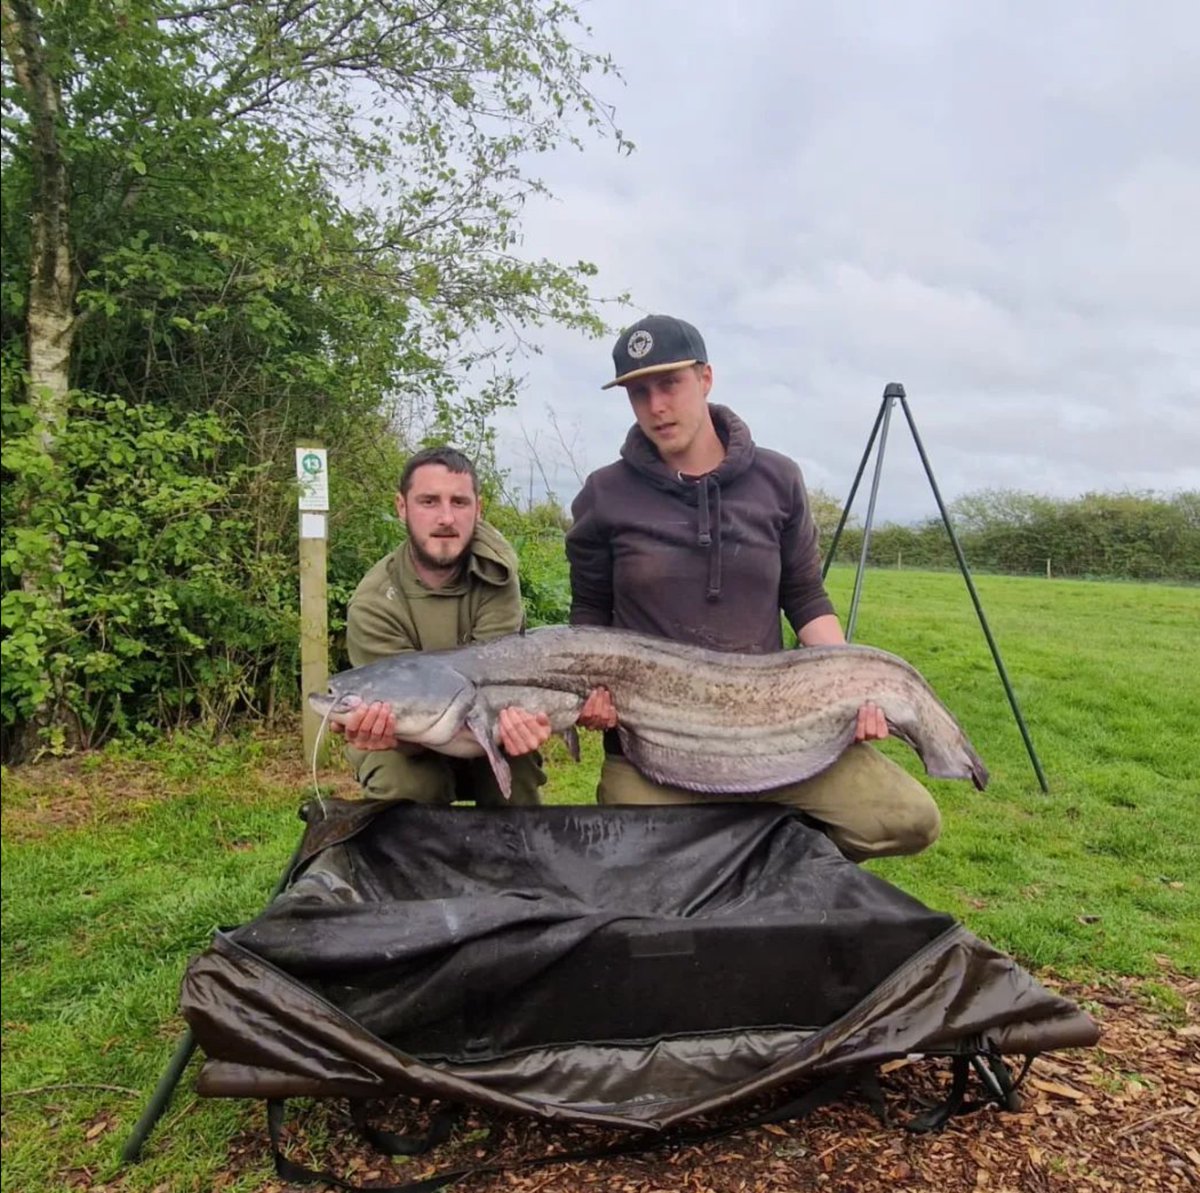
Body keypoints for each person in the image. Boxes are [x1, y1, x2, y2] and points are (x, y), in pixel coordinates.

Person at [564, 314, 941, 861]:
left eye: (670, 384)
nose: (656, 406)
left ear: (705, 378)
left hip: (778, 733)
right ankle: (740, 864)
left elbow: (806, 597)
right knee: (634, 864)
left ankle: (770, 862)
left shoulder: (777, 479)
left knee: (908, 820)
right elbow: (589, 615)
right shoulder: (605, 493)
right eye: (638, 392)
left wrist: (847, 683)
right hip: (657, 744)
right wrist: (588, 694)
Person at [333, 446, 549, 806]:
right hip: (407, 743)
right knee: (406, 784)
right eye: (429, 501)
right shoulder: (374, 602)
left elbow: (499, 690)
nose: (446, 518)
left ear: (478, 509)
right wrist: (386, 731)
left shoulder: (497, 578)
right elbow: (395, 708)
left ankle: (513, 844)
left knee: (518, 767)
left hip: (483, 729)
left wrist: (524, 723)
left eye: (459, 502)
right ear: (402, 506)